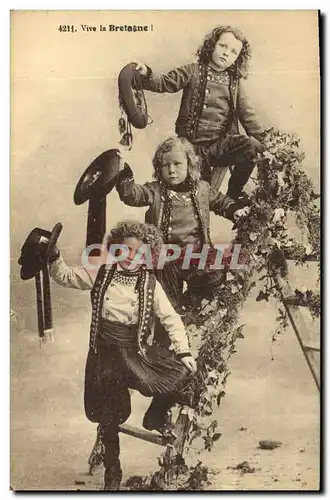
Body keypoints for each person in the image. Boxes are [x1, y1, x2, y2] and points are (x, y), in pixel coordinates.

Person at [48, 220, 197, 490]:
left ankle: (155, 415)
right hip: (105, 354)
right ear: (115, 248)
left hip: (134, 351)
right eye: (126, 250)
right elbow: (67, 277)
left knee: (183, 373)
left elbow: (171, 318)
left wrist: (183, 350)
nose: (131, 257)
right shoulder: (101, 273)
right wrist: (55, 258)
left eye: (139, 253)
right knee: (108, 414)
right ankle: (112, 471)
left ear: (149, 256)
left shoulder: (150, 283)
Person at [133, 24, 265, 203]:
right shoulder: (193, 71)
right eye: (223, 46)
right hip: (191, 146)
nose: (227, 53)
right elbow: (165, 82)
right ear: (212, 45)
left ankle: (234, 193)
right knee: (199, 194)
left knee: (252, 148)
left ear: (238, 58)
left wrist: (268, 143)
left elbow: (248, 115)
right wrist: (147, 73)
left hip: (221, 145)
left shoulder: (235, 83)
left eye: (233, 51)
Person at [116, 136, 244, 317]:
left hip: (197, 254)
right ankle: (173, 321)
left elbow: (222, 202)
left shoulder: (202, 189)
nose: (172, 170)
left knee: (215, 274)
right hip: (166, 257)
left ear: (190, 165)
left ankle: (189, 304)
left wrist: (234, 211)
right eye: (166, 165)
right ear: (158, 169)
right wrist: (121, 166)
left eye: (177, 164)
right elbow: (132, 195)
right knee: (166, 301)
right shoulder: (154, 191)